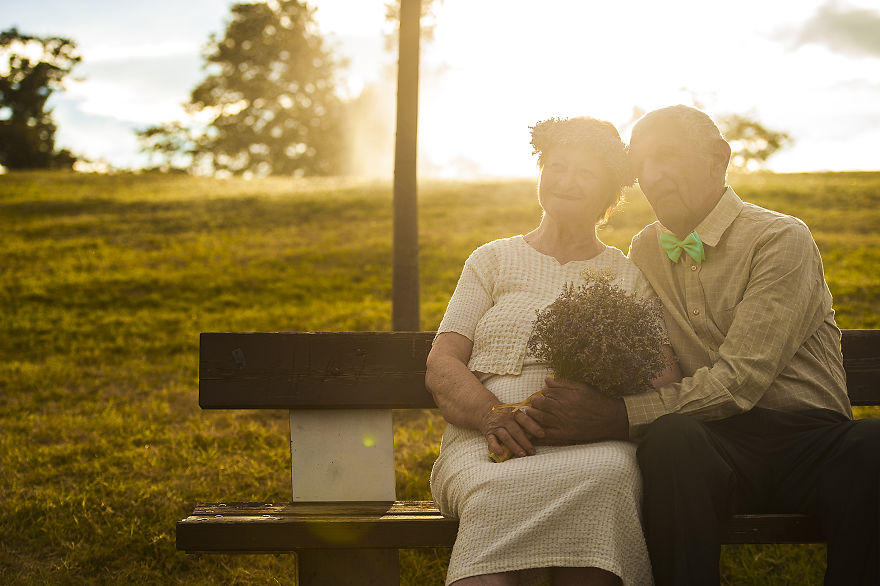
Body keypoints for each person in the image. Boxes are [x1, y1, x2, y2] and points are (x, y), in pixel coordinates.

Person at [524, 105, 880, 585]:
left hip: (809, 444)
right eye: (641, 164)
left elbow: (740, 381)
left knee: (872, 444)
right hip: (714, 447)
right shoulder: (646, 249)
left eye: (667, 158)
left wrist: (617, 416)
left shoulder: (780, 238)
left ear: (719, 159)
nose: (652, 177)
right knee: (672, 442)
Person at [427, 116, 681, 586]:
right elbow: (442, 364)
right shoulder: (492, 260)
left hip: (592, 446)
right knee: (492, 492)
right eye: (557, 167)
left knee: (609, 474)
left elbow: (664, 374)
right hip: (490, 446)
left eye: (584, 173)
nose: (566, 181)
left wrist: (601, 410)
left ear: (609, 195)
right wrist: (493, 416)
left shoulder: (627, 276)